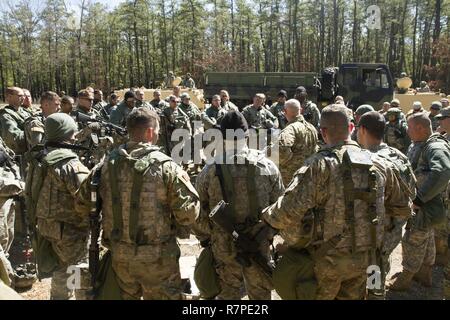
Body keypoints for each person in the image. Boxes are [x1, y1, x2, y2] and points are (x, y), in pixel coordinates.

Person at [260, 104, 407, 300]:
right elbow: (401, 208)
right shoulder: (380, 164)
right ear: (352, 128)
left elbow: (286, 212)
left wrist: (266, 217)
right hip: (366, 260)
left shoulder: (318, 165)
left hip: (327, 261)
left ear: (323, 132)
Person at [76, 107, 200, 299]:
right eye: (157, 131)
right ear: (150, 132)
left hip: (120, 258)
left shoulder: (105, 165)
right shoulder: (167, 167)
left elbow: (82, 204)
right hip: (158, 260)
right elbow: (188, 214)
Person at [193, 110, 284, 299]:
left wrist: (209, 237)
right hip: (259, 247)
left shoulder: (209, 170)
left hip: (224, 250)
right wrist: (267, 234)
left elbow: (198, 215)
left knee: (228, 297)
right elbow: (280, 209)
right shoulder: (268, 166)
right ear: (248, 135)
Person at [26, 113, 91, 299]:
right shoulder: (68, 162)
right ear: (68, 132)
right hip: (70, 230)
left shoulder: (40, 156)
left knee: (61, 268)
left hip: (47, 227)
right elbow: (86, 198)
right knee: (76, 269)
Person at [356, 111, 416, 298]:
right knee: (381, 262)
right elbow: (412, 189)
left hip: (378, 231)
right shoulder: (397, 154)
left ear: (363, 130)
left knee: (374, 267)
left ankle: (374, 294)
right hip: (395, 226)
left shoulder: (369, 161)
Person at [388, 113, 450, 291]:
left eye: (409, 127)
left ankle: (405, 278)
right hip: (426, 205)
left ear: (420, 129)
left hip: (425, 205)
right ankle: (424, 274)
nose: (406, 131)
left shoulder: (435, 146)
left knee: (413, 239)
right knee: (426, 237)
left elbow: (443, 172)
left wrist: (419, 199)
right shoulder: (422, 144)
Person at [275, 99, 318, 185]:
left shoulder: (290, 129)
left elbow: (281, 149)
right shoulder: (312, 128)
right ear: (301, 110)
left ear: (285, 111)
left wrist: (279, 164)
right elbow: (315, 149)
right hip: (308, 174)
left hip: (290, 177)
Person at [0, 137, 24, 288]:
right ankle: (7, 285)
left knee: (7, 237)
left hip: (7, 197)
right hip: (7, 189)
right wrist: (20, 185)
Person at [0, 87, 30, 155]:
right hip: (19, 155)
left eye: (24, 96)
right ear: (9, 97)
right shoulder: (5, 115)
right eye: (20, 96)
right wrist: (32, 134)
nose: (23, 98)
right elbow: (12, 137)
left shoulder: (25, 111)